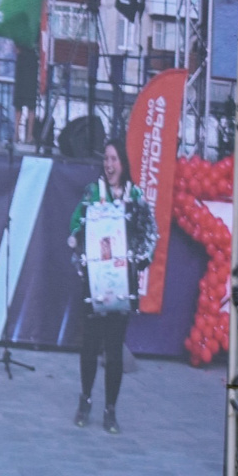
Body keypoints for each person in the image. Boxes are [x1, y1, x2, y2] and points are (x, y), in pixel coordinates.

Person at [69, 140, 153, 436]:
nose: (109, 164)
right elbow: (76, 222)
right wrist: (75, 238)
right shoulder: (94, 192)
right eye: (105, 158)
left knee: (115, 350)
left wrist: (140, 259)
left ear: (124, 162)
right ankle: (85, 400)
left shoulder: (135, 195)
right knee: (90, 346)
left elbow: (149, 232)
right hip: (95, 282)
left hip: (121, 285)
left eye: (114, 158)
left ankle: (110, 410)